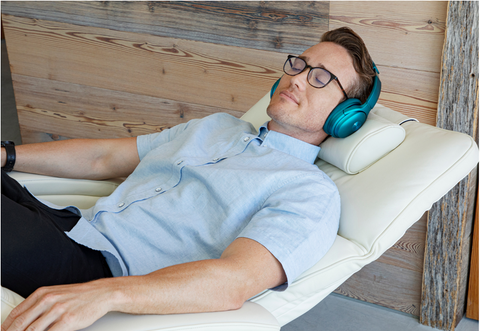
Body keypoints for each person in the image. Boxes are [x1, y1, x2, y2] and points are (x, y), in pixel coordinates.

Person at [1, 27, 377, 331]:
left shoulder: (309, 192)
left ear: (345, 114)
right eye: (298, 64)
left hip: (98, 267)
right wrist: (7, 154)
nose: (297, 79)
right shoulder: (218, 127)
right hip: (69, 223)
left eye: (321, 78)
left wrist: (104, 294)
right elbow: (105, 157)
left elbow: (235, 281)